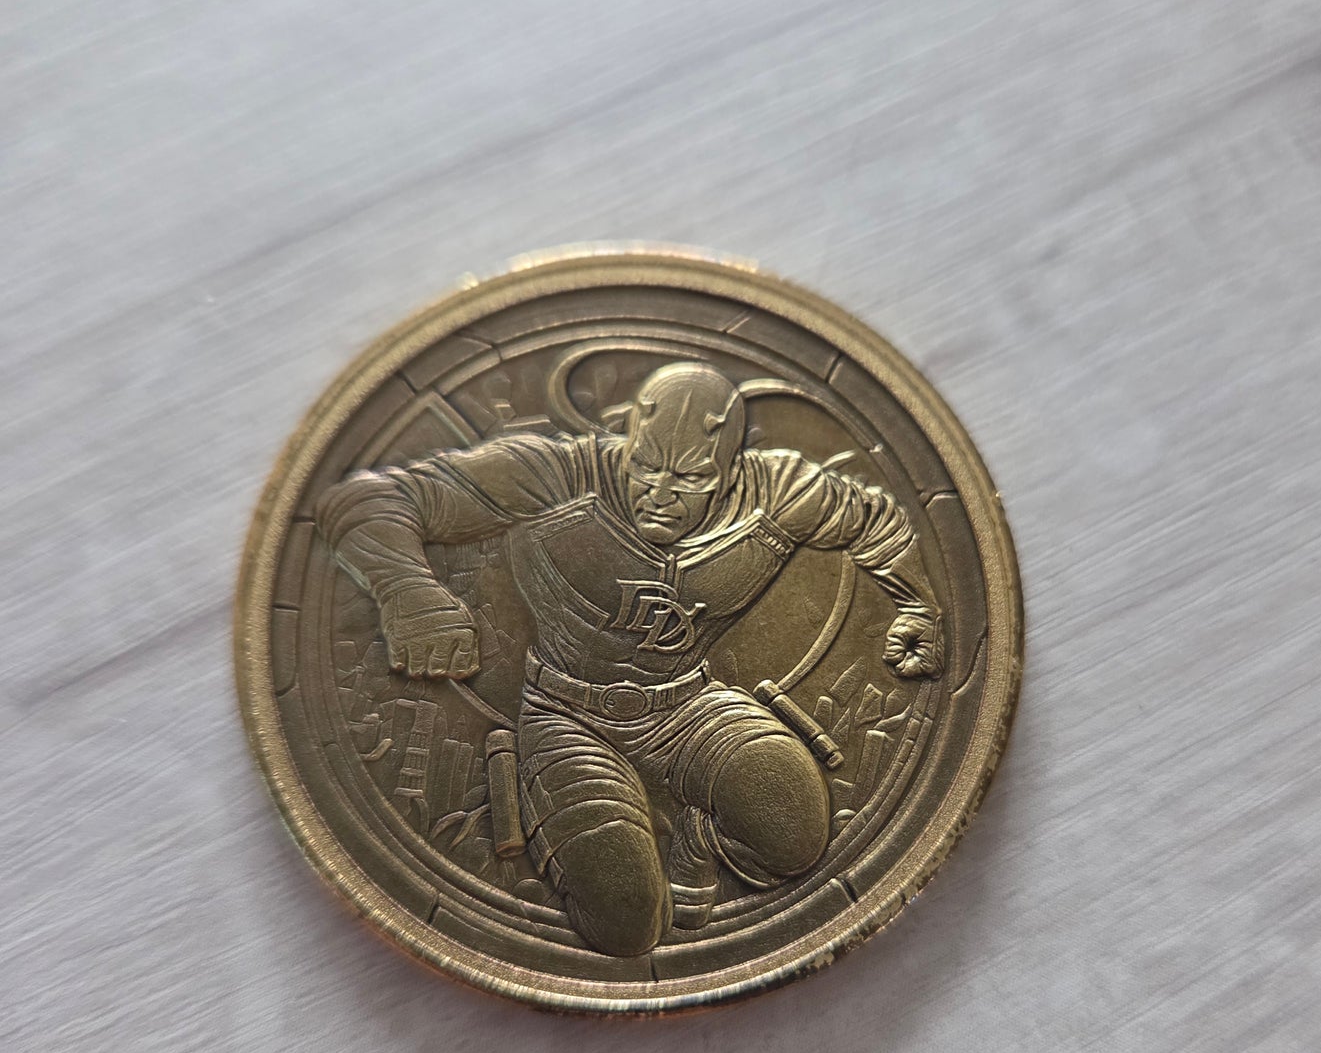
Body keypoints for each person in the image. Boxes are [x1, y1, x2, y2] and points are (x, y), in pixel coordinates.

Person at [317, 361, 944, 955]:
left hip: (691, 705)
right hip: (569, 718)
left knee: (799, 838)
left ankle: (694, 837)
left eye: (689, 479)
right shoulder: (558, 473)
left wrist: (917, 606)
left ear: (729, 469)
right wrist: (407, 591)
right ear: (628, 437)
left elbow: (878, 523)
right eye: (645, 467)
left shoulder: (782, 489)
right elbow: (365, 501)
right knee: (624, 925)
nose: (659, 494)